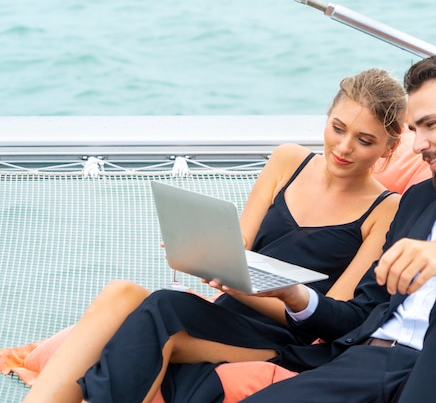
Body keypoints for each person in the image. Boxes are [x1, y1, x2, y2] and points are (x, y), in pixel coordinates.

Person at [72, 43, 436, 403]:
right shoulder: (418, 203)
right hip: (364, 363)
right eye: (413, 129)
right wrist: (296, 297)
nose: (419, 142)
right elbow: (358, 313)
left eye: (430, 125)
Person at [20, 67, 409, 403]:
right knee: (121, 293)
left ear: (389, 148)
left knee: (161, 309)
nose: (343, 147)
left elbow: (334, 318)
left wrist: (250, 289)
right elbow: (236, 248)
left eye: (365, 140)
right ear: (327, 118)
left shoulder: (386, 209)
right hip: (226, 313)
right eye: (338, 128)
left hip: (287, 340)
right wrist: (199, 251)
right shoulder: (288, 160)